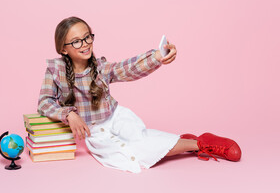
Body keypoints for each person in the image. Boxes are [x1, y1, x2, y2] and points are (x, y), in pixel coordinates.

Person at [37, 16, 241, 173]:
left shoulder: (100, 67)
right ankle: (181, 143)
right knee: (125, 155)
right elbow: (44, 102)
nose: (85, 44)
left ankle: (200, 143)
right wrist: (69, 114)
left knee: (140, 140)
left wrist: (157, 57)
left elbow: (128, 68)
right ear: (63, 49)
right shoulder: (55, 70)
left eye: (87, 37)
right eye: (76, 42)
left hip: (115, 117)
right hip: (94, 132)